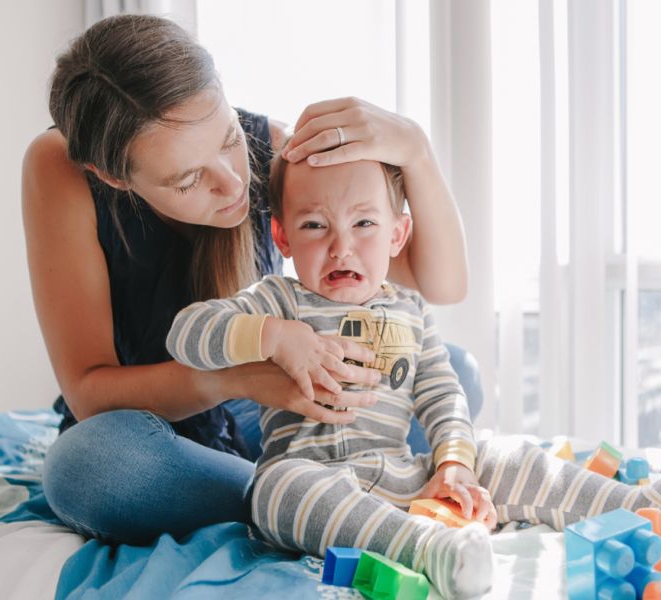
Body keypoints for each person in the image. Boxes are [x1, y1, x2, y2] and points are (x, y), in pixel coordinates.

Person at [165, 152, 661, 598]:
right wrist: (271, 336)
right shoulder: (277, 298)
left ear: (396, 235)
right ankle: (428, 550)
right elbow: (186, 334)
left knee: (502, 454)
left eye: (364, 223)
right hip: (314, 479)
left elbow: (441, 394)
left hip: (401, 474)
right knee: (274, 488)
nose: (341, 245)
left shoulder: (410, 310)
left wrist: (455, 465)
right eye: (314, 225)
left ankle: (651, 508)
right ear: (282, 237)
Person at [23, 14, 475, 545]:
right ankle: (296, 496)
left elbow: (440, 284)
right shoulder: (61, 167)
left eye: (228, 138)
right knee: (89, 465)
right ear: (113, 177)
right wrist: (235, 376)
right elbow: (88, 393)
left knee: (457, 374)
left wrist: (415, 151)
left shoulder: (276, 149)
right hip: (155, 424)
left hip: (261, 416)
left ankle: (313, 497)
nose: (235, 182)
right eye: (189, 179)